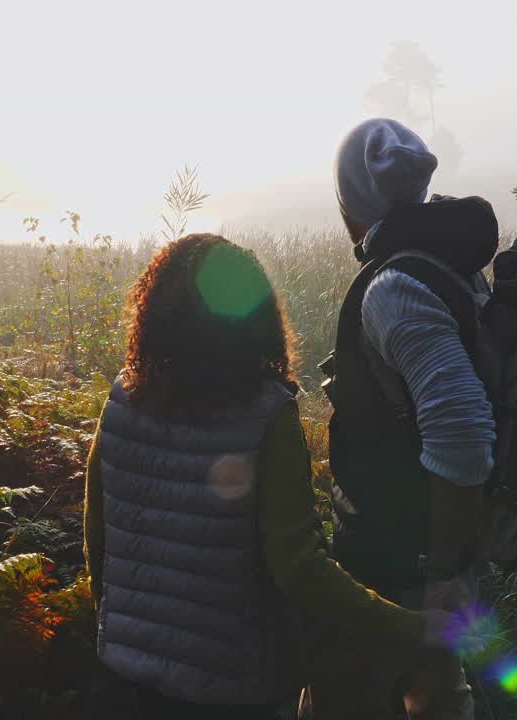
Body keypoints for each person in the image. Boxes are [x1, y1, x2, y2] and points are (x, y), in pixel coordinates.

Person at [83, 233, 460, 720]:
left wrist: (115, 630)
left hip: (124, 676)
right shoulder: (266, 417)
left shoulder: (122, 400)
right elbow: (298, 567)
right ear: (256, 319)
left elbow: (98, 534)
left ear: (156, 313)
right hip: (233, 686)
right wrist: (413, 627)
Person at [313, 118, 501, 719]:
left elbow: (464, 433)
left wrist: (442, 574)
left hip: (398, 564)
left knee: (345, 699)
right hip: (431, 554)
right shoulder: (447, 268)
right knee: (439, 700)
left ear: (352, 208)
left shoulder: (394, 286)